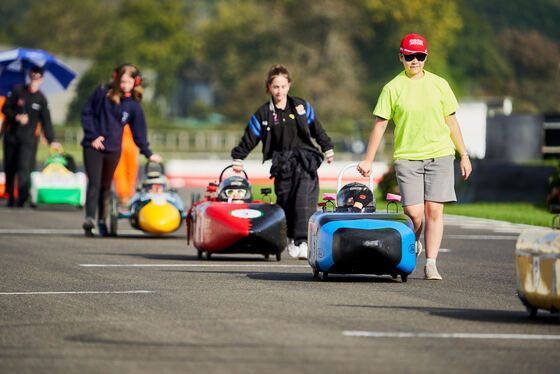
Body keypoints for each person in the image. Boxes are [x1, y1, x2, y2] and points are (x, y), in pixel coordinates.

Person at [357, 33, 472, 280]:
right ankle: (413, 245)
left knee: (434, 211)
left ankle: (431, 263)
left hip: (440, 154)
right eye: (410, 56)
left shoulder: (440, 84)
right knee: (414, 212)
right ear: (401, 57)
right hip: (408, 156)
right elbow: (380, 124)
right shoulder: (392, 87)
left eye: (420, 56)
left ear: (426, 57)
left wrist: (463, 154)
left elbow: (451, 120)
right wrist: (368, 159)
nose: (415, 61)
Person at [231, 64, 334, 259]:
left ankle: (302, 242)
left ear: (289, 86)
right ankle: (289, 238)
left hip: (305, 160)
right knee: (286, 203)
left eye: (283, 86)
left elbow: (317, 129)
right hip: (282, 164)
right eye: (275, 87)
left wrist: (327, 148)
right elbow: (250, 137)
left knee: (304, 201)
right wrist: (239, 158)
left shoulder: (301, 107)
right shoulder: (263, 114)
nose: (280, 91)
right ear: (269, 87)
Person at [81, 63, 162, 236]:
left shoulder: (133, 105)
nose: (125, 85)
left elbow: (139, 132)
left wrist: (148, 153)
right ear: (116, 78)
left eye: (129, 82)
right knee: (94, 183)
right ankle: (90, 219)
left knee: (105, 185)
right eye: (122, 81)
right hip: (93, 146)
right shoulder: (102, 92)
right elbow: (87, 114)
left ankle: (102, 220)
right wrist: (93, 136)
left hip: (113, 149)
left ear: (135, 82)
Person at [1, 67, 62, 207]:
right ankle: (10, 195)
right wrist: (16, 116)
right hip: (12, 137)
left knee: (25, 167)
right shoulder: (17, 92)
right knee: (10, 167)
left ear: (41, 80)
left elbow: (46, 121)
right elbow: (5, 108)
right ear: (29, 77)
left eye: (37, 77)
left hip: (28, 139)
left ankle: (22, 197)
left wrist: (51, 140)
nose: (34, 80)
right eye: (32, 76)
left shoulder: (41, 98)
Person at [113, 123, 139, 207]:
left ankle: (127, 194)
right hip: (119, 141)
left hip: (131, 142)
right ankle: (124, 195)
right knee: (120, 170)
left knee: (131, 169)